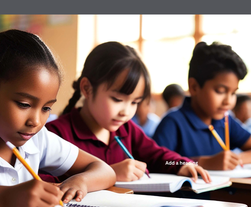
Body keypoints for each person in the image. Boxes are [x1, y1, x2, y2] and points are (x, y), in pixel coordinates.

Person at [0, 29, 116, 207]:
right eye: (24, 104)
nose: (36, 121)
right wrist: (5, 198)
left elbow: (104, 170)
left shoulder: (38, 140)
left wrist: (81, 182)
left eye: (46, 108)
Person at [46, 41, 210, 183]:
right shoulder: (55, 135)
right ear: (87, 89)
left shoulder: (127, 130)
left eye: (135, 102)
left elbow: (159, 157)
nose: (126, 111)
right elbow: (45, 186)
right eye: (117, 100)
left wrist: (182, 164)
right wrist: (110, 175)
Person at [153, 42, 251, 170]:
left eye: (233, 93)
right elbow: (157, 163)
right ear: (194, 87)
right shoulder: (173, 122)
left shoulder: (225, 121)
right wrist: (203, 163)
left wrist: (236, 159)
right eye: (220, 91)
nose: (228, 101)